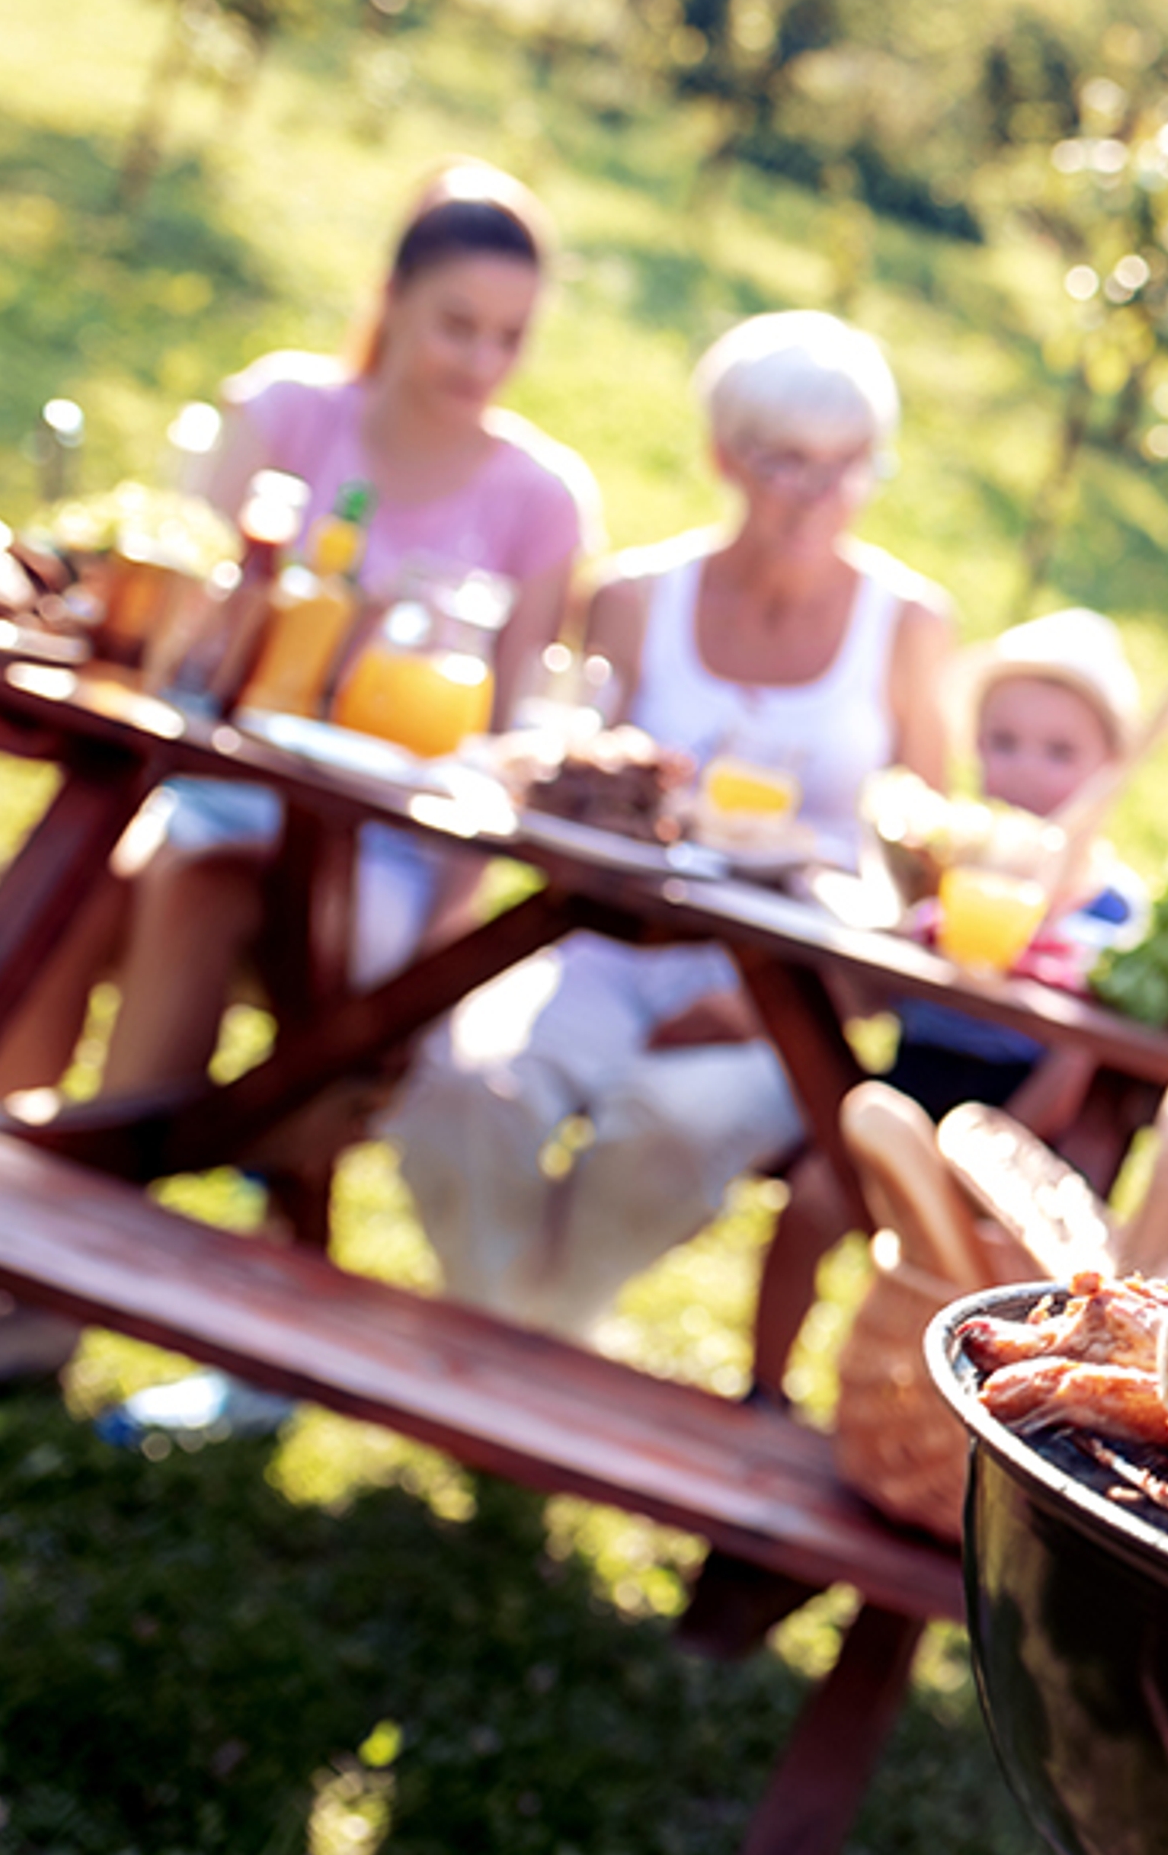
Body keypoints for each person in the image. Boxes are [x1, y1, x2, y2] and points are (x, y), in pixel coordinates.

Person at [0, 163, 599, 1389]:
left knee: (186, 876)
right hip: (213, 783)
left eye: (509, 336)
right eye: (458, 323)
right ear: (391, 297)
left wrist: (434, 963)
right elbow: (169, 613)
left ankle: (46, 1274)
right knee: (98, 885)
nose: (482, 359)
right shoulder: (288, 412)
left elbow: (512, 748)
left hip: (391, 848)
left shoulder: (540, 499)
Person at [383, 310, 953, 1342]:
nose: (821, 498)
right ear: (724, 456)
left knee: (668, 1126)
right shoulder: (640, 597)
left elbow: (928, 866)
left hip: (787, 981)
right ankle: (508, 1338)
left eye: (850, 467)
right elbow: (570, 785)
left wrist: (796, 990)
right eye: (788, 463)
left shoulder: (907, 624)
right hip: (603, 941)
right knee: (471, 1089)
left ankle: (541, 1331)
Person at [743, 603, 1151, 1393]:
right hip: (910, 1091)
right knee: (811, 1205)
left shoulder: (1113, 909)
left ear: (1110, 768)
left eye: (1059, 752)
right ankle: (762, 1387)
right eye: (1003, 744)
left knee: (992, 1276)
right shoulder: (947, 864)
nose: (1026, 771)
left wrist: (1010, 1142)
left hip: (1022, 1122)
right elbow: (871, 1001)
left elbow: (1089, 1050)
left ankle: (944, 1430)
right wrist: (897, 937)